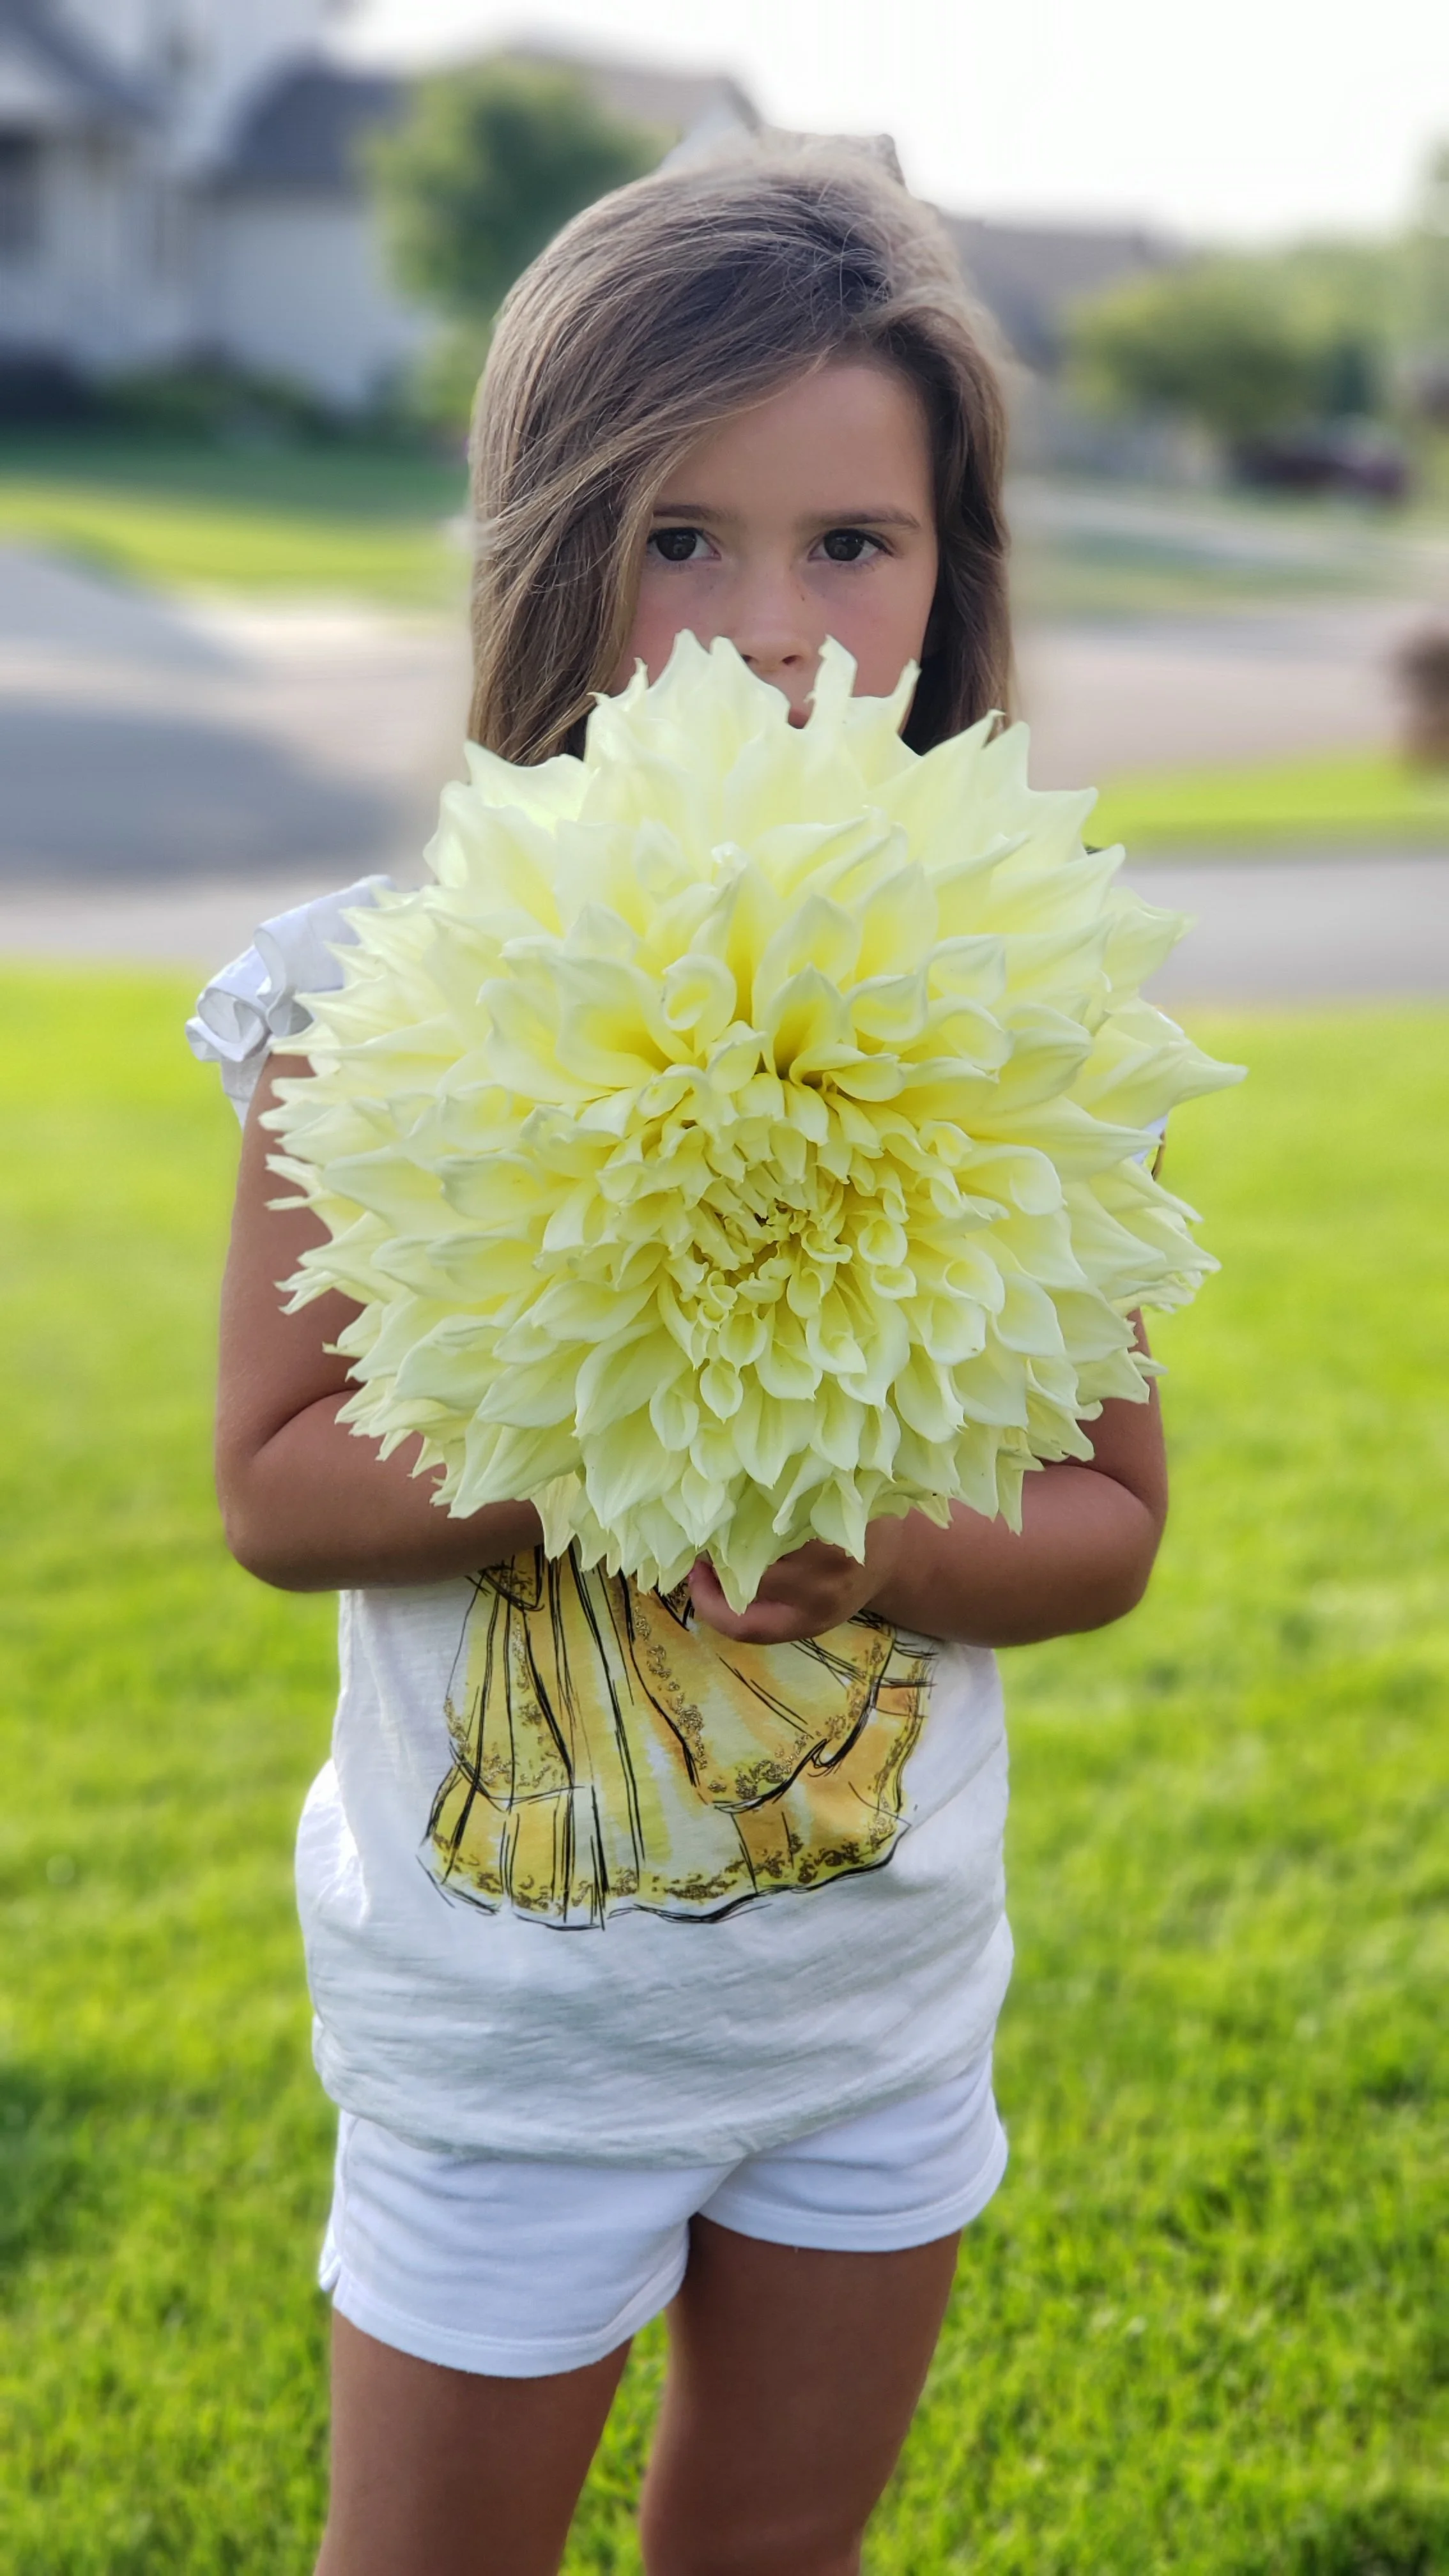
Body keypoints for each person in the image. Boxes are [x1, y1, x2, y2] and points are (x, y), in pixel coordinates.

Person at [197, 145, 1168, 2576]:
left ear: (953, 574)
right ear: (552, 551)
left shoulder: (1013, 980)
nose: (766, 628)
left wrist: (871, 1542)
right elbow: (275, 1482)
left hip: (872, 2015)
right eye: (678, 539)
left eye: (855, 544)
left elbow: (1113, 1521)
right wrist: (608, 1441)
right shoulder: (373, 984)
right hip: (503, 2048)